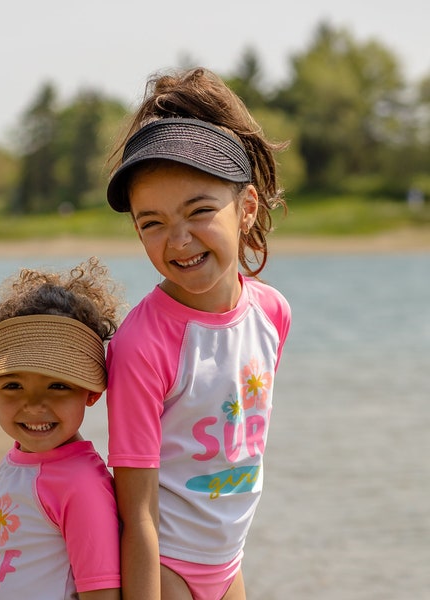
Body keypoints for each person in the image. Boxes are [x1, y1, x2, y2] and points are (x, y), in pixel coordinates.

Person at [104, 67, 292, 600]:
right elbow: (136, 509)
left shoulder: (272, 315)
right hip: (166, 566)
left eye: (200, 211)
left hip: (228, 564)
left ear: (247, 208)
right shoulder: (143, 345)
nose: (178, 240)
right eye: (152, 222)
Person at [0, 257, 121, 600]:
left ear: (91, 392)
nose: (35, 404)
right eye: (13, 386)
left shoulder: (81, 485)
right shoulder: (15, 462)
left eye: (57, 386)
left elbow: (101, 593)